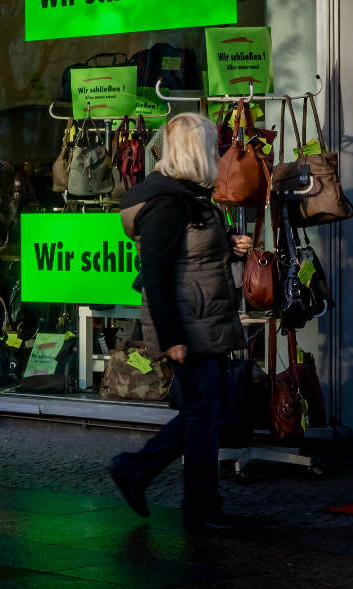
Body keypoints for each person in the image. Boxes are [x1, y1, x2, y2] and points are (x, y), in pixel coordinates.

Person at [108, 112, 253, 532]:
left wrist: (228, 246)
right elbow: (155, 273)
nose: (218, 152)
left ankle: (138, 472)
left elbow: (192, 253)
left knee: (204, 413)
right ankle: (197, 506)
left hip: (201, 317)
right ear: (196, 150)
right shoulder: (167, 202)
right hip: (188, 323)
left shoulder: (188, 195)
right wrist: (171, 338)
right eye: (211, 145)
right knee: (205, 415)